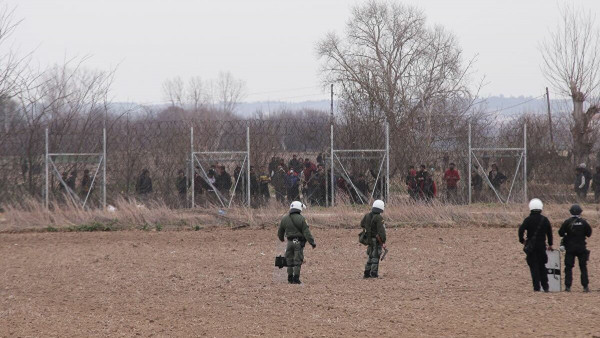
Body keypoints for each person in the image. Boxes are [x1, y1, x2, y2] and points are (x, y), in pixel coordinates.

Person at [518, 198, 553, 292]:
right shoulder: (545, 220)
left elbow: (521, 230)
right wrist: (550, 244)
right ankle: (545, 287)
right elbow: (549, 232)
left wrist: (522, 240)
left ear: (530, 207)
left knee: (534, 267)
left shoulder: (528, 220)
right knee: (542, 266)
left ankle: (536, 288)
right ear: (541, 208)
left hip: (531, 247)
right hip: (542, 246)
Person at [277, 201, 316, 284]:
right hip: (298, 243)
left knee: (289, 260)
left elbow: (280, 232)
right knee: (297, 261)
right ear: (299, 208)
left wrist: (281, 239)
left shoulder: (284, 218)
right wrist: (312, 243)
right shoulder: (302, 219)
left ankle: (290, 278)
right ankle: (296, 279)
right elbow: (307, 233)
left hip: (289, 243)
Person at [558, 204, 592, 292]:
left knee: (568, 267)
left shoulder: (567, 222)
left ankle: (568, 286)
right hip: (581, 248)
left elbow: (560, 233)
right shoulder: (584, 222)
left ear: (570, 212)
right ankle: (585, 286)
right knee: (583, 267)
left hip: (570, 248)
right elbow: (589, 233)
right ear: (580, 212)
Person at [361, 200, 387, 278]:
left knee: (370, 256)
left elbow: (362, 224)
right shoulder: (379, 217)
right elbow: (381, 231)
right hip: (376, 240)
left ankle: (367, 273)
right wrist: (383, 241)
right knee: (375, 256)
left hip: (369, 240)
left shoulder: (367, 215)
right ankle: (374, 273)